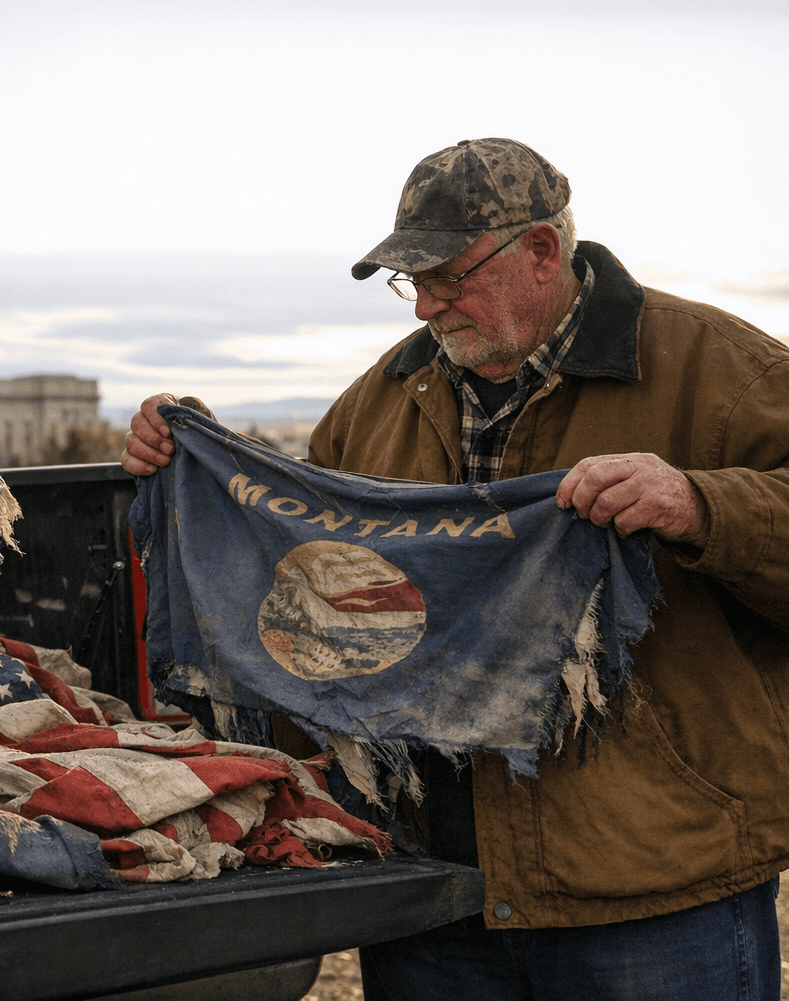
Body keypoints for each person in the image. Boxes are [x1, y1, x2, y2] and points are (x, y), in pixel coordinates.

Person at [122, 138, 789, 1000]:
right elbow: (303, 597)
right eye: (412, 282)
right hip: (431, 900)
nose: (425, 307)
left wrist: (703, 506)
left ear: (542, 251)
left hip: (650, 892)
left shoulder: (724, 371)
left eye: (447, 276)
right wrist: (205, 472)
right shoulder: (376, 404)